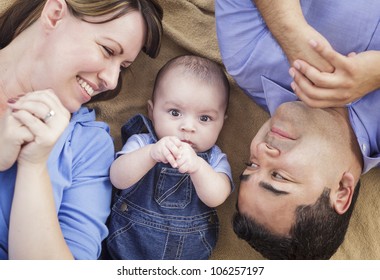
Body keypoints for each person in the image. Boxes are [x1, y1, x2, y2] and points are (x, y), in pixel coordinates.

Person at [216, 0, 380, 259]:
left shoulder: (247, 59)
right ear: (342, 190)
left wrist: (289, 29)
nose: (261, 149)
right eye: (279, 176)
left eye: (251, 165)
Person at [0, 0, 163, 259]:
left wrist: (33, 165)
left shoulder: (90, 146)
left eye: (122, 67)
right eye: (108, 50)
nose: (111, 80)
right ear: (54, 15)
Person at [104, 55, 234, 260]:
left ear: (222, 123)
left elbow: (217, 197)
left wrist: (198, 167)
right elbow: (117, 178)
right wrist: (151, 154)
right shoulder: (143, 143)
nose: (188, 127)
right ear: (152, 111)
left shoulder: (214, 159)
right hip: (127, 247)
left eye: (205, 118)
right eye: (175, 113)